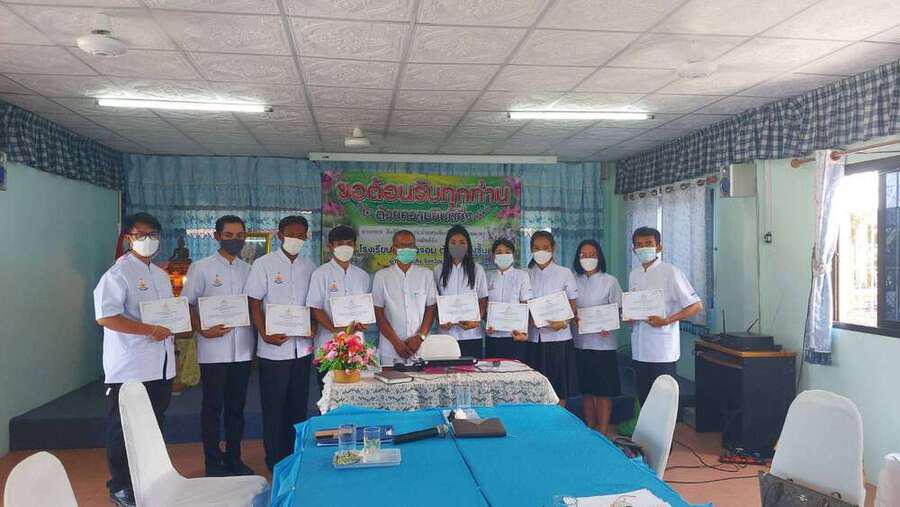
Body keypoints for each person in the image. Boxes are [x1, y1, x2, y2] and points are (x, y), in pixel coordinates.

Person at [93, 213, 174, 507]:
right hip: (129, 367)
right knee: (124, 428)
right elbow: (106, 317)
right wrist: (149, 330)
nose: (147, 240)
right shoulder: (117, 274)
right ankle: (121, 486)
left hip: (160, 366)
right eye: (141, 235)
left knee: (154, 425)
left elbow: (168, 313)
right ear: (128, 238)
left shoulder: (161, 275)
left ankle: (150, 479)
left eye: (153, 235)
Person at [182, 215, 255, 477]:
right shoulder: (201, 268)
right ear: (216, 237)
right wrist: (202, 329)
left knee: (237, 408)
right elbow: (187, 304)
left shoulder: (249, 270)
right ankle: (212, 462)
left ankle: (234, 458)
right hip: (213, 351)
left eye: (239, 236)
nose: (235, 240)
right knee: (212, 408)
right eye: (229, 235)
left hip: (243, 350)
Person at [245, 215, 317, 472]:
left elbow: (313, 305)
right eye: (290, 235)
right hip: (273, 350)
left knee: (298, 406)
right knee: (274, 407)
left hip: (302, 350)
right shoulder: (263, 264)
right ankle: (275, 459)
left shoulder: (310, 266)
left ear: (306, 237)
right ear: (279, 236)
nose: (295, 239)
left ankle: (295, 456)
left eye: (300, 235)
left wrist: (313, 326)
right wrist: (264, 333)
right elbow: (254, 302)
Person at [627, 226, 702, 405]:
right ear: (634, 249)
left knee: (663, 403)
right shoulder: (634, 274)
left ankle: (670, 426)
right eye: (639, 245)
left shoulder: (671, 272)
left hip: (662, 351)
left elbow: (696, 306)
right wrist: (629, 317)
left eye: (648, 244)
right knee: (644, 399)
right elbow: (634, 306)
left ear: (659, 247)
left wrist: (667, 320)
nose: (643, 248)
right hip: (640, 349)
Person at [307, 225, 371, 391]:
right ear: (330, 247)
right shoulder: (320, 274)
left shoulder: (363, 276)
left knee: (356, 392)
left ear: (355, 246)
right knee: (328, 393)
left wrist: (363, 323)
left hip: (356, 348)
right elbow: (315, 307)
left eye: (349, 244)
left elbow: (365, 308)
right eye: (340, 244)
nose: (345, 248)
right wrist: (336, 330)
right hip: (329, 346)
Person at [572, 239, 623, 436]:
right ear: (578, 258)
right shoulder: (574, 280)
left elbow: (619, 310)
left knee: (603, 391)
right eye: (583, 255)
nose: (588, 258)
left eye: (592, 254)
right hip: (580, 343)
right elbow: (568, 308)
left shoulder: (610, 281)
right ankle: (590, 428)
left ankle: (603, 430)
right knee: (586, 390)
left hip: (603, 345)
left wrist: (609, 323)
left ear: (599, 257)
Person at [527, 230, 579, 406]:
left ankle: (558, 420)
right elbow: (522, 305)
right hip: (534, 339)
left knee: (559, 389)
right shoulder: (526, 274)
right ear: (531, 249)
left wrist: (564, 322)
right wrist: (528, 319)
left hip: (559, 340)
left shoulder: (564, 273)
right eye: (536, 248)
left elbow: (572, 306)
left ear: (553, 248)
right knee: (535, 389)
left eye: (545, 247)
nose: (541, 251)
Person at [372, 230, 437, 365]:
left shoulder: (426, 275)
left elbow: (431, 308)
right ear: (393, 249)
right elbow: (378, 314)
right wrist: (396, 343)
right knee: (389, 379)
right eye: (402, 246)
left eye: (411, 245)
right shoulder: (381, 276)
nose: (407, 249)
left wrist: (419, 338)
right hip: (390, 348)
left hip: (419, 348)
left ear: (415, 249)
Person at [434, 225, 488, 358]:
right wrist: (440, 319)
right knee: (446, 370)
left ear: (468, 245)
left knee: (471, 369)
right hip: (446, 335)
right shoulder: (438, 270)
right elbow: (434, 301)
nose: (457, 246)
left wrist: (476, 320)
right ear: (447, 246)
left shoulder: (477, 270)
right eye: (453, 243)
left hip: (471, 335)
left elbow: (483, 300)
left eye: (462, 242)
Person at [485, 238, 533, 361]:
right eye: (499, 252)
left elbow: (525, 305)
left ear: (513, 255)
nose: (503, 255)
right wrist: (487, 322)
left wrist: (524, 331)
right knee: (492, 371)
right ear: (493, 256)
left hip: (515, 336)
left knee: (516, 370)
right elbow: (484, 305)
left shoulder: (522, 275)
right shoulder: (487, 276)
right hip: (493, 336)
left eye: (507, 252)